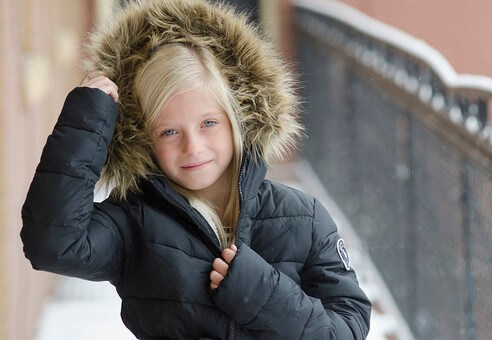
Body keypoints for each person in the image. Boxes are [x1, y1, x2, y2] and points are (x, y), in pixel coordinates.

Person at [20, 0, 371, 339]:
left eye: (208, 123)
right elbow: (54, 244)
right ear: (144, 138)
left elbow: (348, 326)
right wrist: (88, 122)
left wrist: (262, 294)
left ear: (237, 121)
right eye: (169, 131)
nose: (193, 147)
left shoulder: (303, 219)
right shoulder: (133, 223)